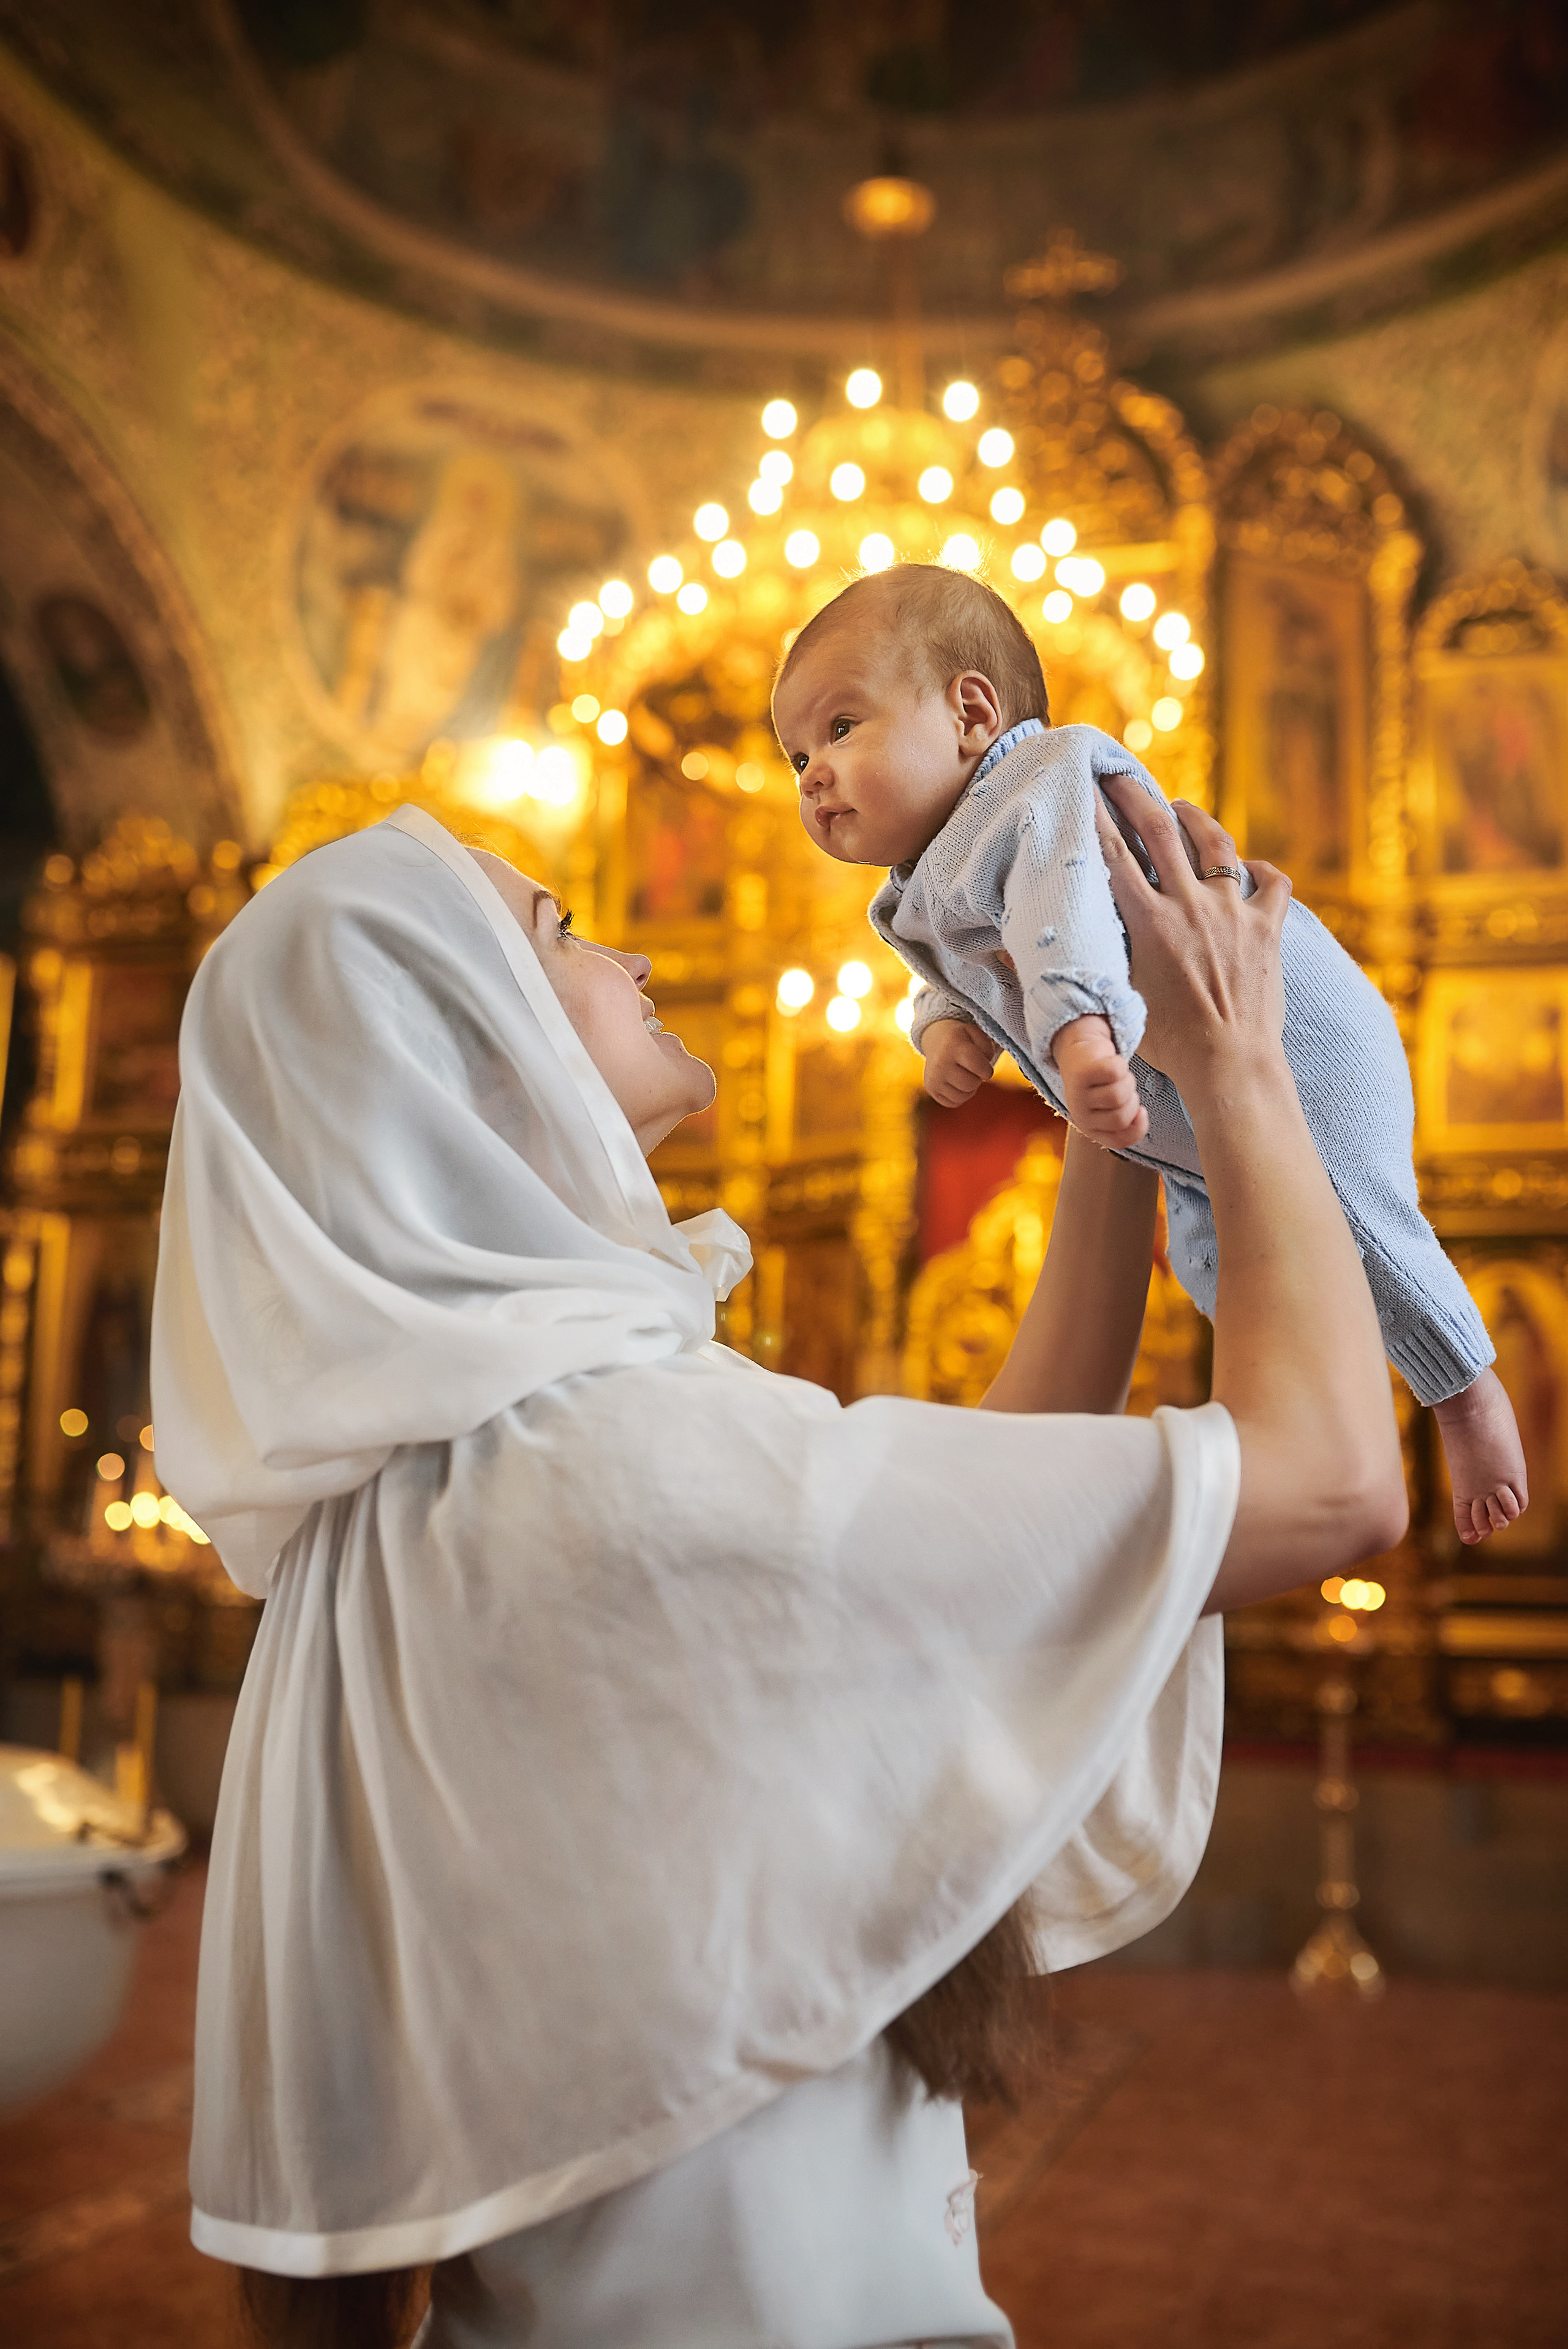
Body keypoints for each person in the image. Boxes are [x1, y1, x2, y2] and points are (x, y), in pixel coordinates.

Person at [152, 793, 1406, 2349]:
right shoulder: (614, 1456)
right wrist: (1239, 1060)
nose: (628, 955)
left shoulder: (435, 1478)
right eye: (558, 931)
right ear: (470, 1053)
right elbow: (1334, 1481)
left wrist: (1115, 1116)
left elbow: (989, 1503)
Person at [772, 562, 1527, 1549]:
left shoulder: (1040, 785)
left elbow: (1061, 913)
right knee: (1234, 1272)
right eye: (793, 759)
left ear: (970, 712)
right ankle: (1277, 1428)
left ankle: (1466, 1392)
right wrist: (946, 1028)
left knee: (1364, 1223)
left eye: (840, 728)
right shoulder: (918, 882)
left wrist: (1083, 1031)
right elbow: (965, 967)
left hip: (1305, 1042)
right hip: (1183, 1102)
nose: (813, 774)